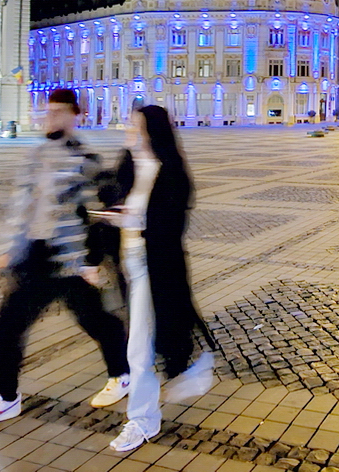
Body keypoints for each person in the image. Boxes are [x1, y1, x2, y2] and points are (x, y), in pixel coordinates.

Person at [0, 89, 130, 436]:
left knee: (94, 320)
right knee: (9, 327)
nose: (49, 118)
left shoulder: (85, 158)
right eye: (47, 112)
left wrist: (91, 259)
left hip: (67, 259)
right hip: (36, 255)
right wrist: (10, 250)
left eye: (57, 113)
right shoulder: (35, 154)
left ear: (73, 116)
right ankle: (5, 398)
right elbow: (22, 206)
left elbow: (105, 208)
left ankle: (123, 372)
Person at [109, 105, 215, 453]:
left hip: (155, 267)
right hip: (129, 265)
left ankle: (141, 419)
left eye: (135, 126)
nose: (129, 130)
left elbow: (170, 228)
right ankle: (185, 373)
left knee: (138, 348)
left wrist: (133, 221)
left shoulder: (170, 173)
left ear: (152, 132)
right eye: (129, 124)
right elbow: (109, 203)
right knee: (148, 341)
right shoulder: (127, 167)